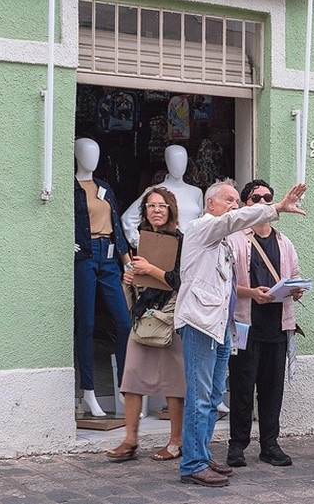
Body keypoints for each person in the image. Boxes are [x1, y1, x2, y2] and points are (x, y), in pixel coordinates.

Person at [175, 179, 307, 488]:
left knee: (211, 397)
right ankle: (192, 463)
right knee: (199, 397)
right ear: (212, 205)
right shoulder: (203, 228)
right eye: (231, 201)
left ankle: (202, 456)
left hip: (220, 327)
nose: (236, 207)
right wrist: (274, 208)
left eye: (237, 201)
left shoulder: (222, 240)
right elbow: (235, 220)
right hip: (200, 324)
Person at [226, 180, 304, 468]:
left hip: (277, 325)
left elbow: (295, 276)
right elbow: (225, 283)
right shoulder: (234, 239)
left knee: (273, 390)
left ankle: (270, 444)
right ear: (245, 204)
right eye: (254, 197)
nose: (261, 201)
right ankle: (237, 446)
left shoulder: (284, 242)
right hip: (246, 326)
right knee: (243, 388)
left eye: (267, 197)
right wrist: (250, 293)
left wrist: (296, 289)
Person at [105, 187, 186, 463]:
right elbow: (139, 279)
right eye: (151, 206)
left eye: (162, 206)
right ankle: (130, 440)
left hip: (168, 318)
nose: (156, 210)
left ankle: (176, 442)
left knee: (174, 384)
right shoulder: (142, 240)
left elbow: (180, 281)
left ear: (171, 209)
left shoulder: (182, 242)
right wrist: (130, 280)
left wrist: (150, 271)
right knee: (131, 379)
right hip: (143, 317)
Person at [74, 137, 132, 418]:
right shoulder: (71, 188)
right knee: (85, 324)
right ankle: (88, 392)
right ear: (76, 154)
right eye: (86, 152)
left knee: (123, 321)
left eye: (96, 152)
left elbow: (117, 224)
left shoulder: (104, 187)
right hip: (84, 256)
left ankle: (124, 385)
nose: (92, 157)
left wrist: (126, 261)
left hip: (109, 256)